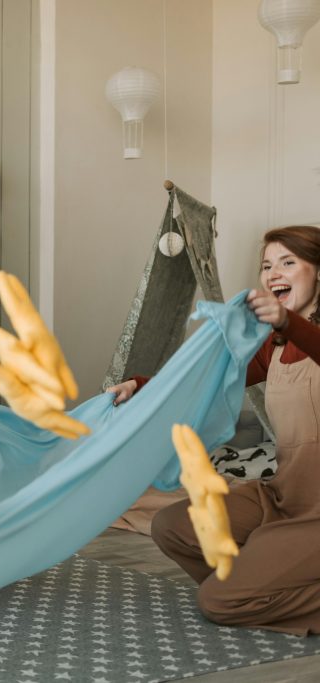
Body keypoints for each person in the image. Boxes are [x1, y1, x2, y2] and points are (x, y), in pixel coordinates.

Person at [109, 225, 320, 635]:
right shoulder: (275, 346)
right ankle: (266, 581)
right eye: (267, 265)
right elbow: (207, 382)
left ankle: (250, 589)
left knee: (219, 600)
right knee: (172, 526)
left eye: (288, 262)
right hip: (283, 496)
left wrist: (289, 322)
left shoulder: (298, 334)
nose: (273, 272)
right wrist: (141, 386)